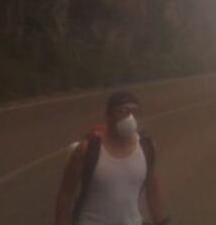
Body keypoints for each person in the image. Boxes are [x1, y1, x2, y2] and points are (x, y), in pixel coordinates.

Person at [54, 91, 169, 225]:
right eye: (122, 111)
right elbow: (66, 195)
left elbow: (152, 189)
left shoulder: (146, 148)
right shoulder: (87, 150)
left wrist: (161, 222)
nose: (130, 117)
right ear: (108, 116)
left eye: (134, 112)